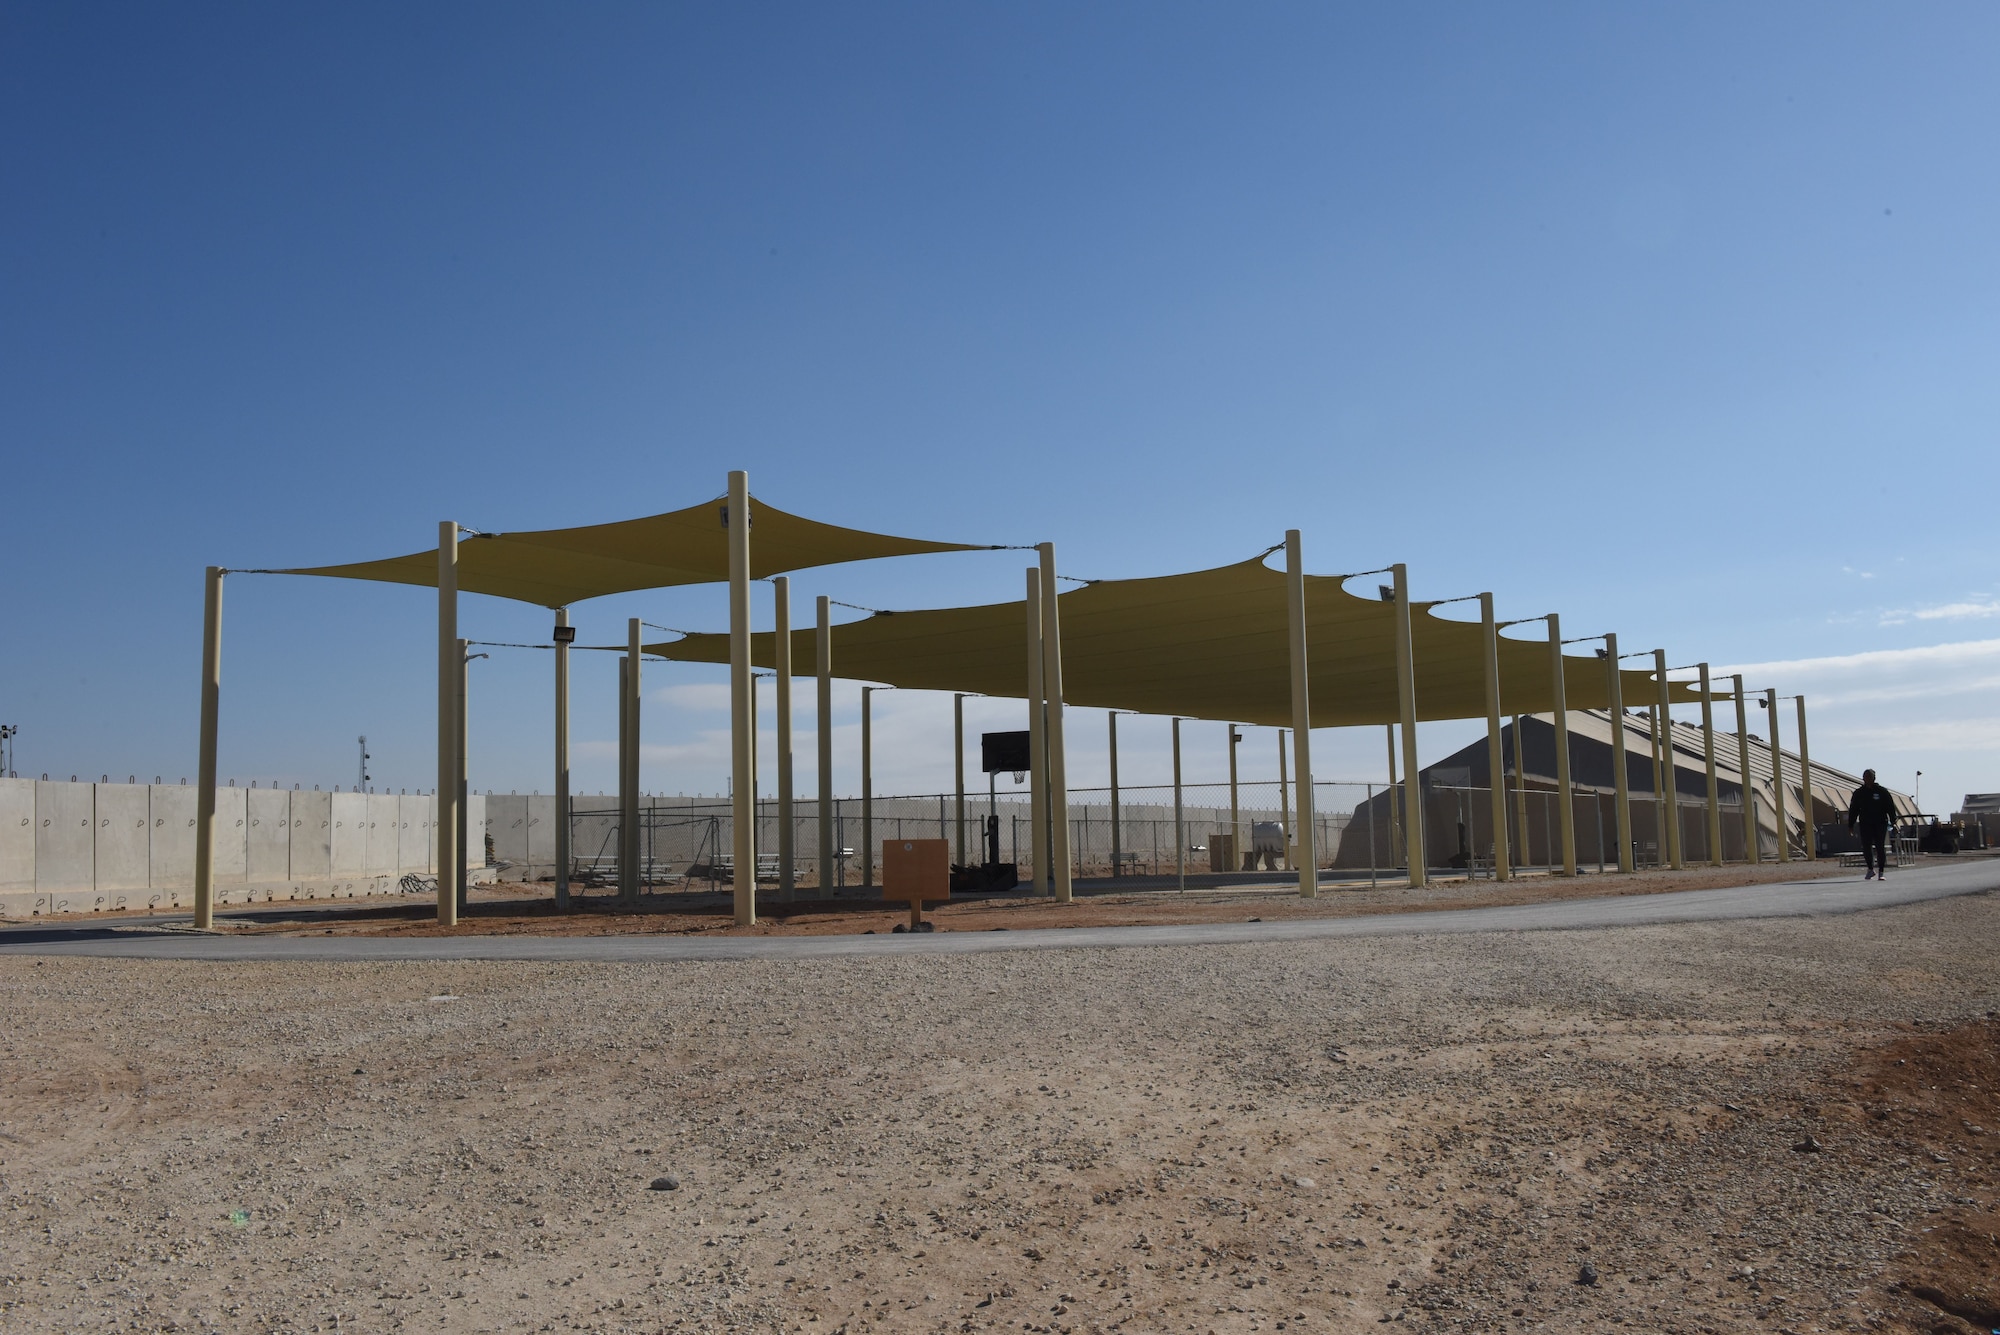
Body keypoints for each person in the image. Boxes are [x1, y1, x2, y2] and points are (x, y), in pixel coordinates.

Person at [1847, 769, 1898, 880]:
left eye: (1869, 777)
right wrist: (1850, 824)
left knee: (1880, 846)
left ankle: (1881, 871)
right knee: (1866, 846)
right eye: (1865, 777)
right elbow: (1853, 809)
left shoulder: (1882, 792)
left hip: (1880, 823)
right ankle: (1870, 869)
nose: (1867, 779)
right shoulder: (1859, 793)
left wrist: (1894, 821)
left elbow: (1890, 807)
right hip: (1865, 823)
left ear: (1874, 778)